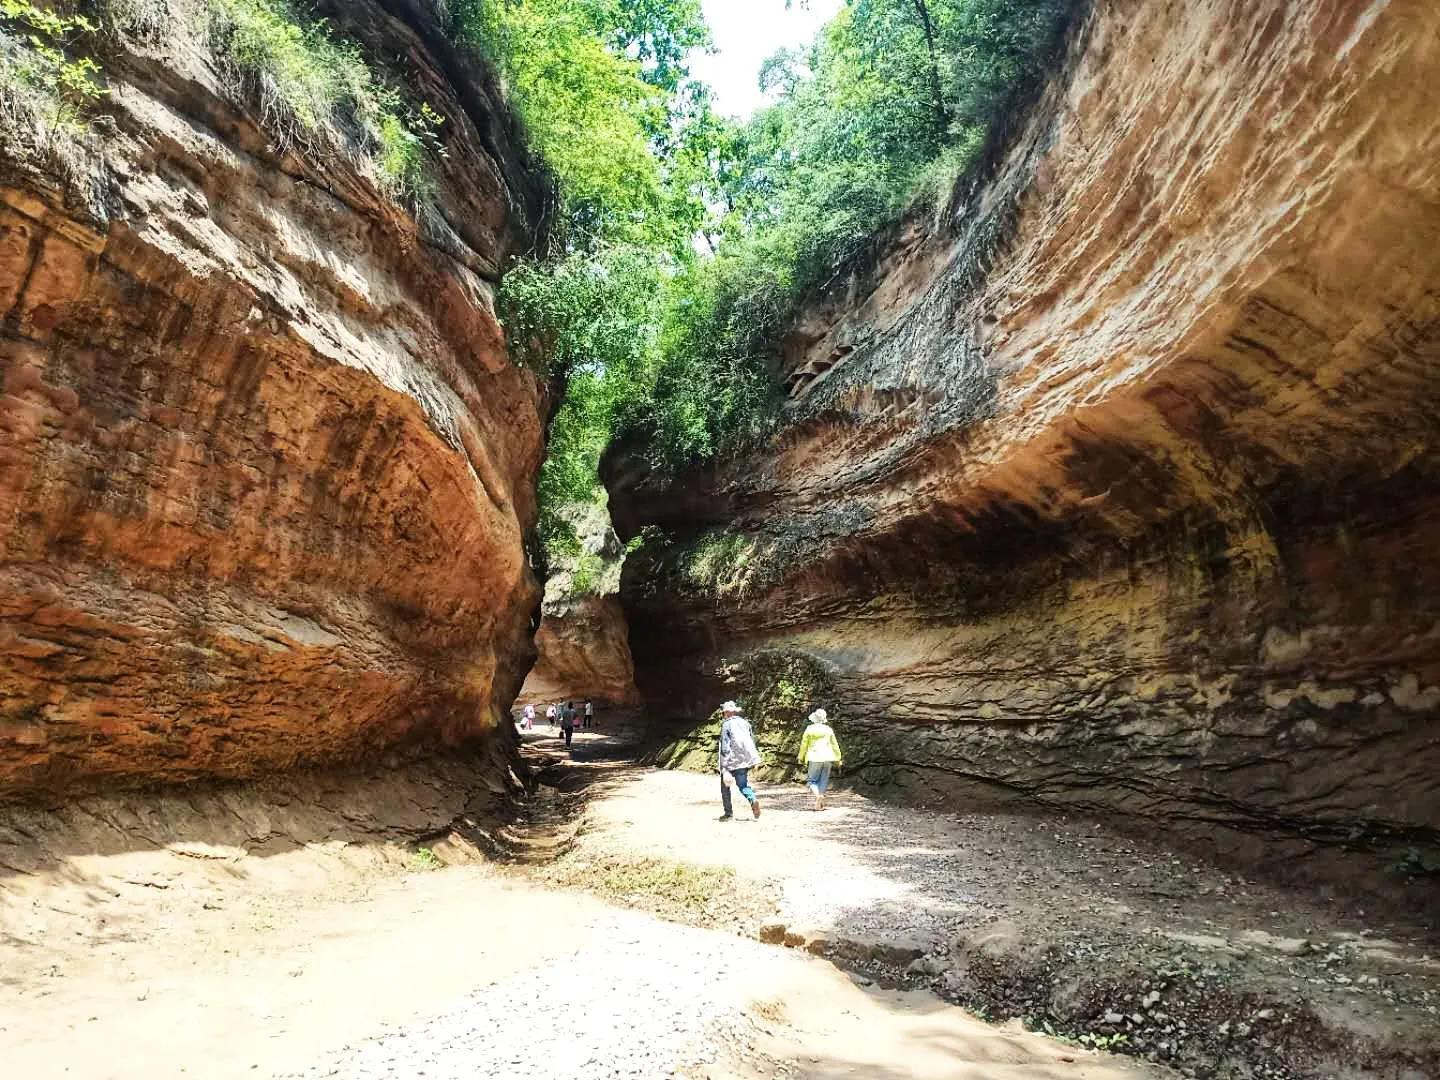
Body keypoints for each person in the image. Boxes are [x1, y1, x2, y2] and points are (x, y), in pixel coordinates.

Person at [717, 701, 762, 821]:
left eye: (724, 713)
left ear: (726, 712)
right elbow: (752, 740)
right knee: (742, 785)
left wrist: (724, 765)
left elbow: (725, 745)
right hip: (744, 760)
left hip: (730, 761)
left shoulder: (726, 724)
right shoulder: (745, 723)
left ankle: (728, 814)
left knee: (725, 787)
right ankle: (752, 799)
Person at [797, 708, 843, 811]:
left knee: (811, 781)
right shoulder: (828, 730)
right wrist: (838, 758)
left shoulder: (809, 729)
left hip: (814, 757)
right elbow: (835, 745)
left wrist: (801, 757)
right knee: (823, 780)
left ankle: (818, 796)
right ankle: (819, 804)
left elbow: (804, 744)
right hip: (828, 757)